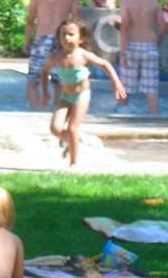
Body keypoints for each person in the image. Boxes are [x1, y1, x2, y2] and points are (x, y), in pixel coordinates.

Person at [41, 20, 127, 168]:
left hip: (81, 96)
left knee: (72, 129)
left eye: (71, 34)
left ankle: (74, 164)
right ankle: (73, 141)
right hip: (65, 97)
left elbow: (105, 64)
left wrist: (116, 82)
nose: (66, 38)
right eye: (63, 35)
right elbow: (44, 72)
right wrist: (45, 93)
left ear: (80, 39)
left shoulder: (83, 55)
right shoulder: (57, 56)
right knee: (55, 128)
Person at [22, 0, 80, 110]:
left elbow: (30, 20)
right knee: (59, 81)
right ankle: (57, 110)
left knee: (33, 80)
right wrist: (76, 44)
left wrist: (27, 41)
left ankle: (35, 110)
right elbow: (77, 21)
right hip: (62, 40)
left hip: (42, 39)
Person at [119, 0, 167, 115]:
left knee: (124, 87)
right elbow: (163, 28)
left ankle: (121, 116)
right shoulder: (154, 2)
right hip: (150, 46)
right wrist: (157, 44)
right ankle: (155, 120)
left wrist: (123, 53)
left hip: (131, 46)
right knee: (152, 90)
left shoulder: (126, 2)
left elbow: (124, 26)